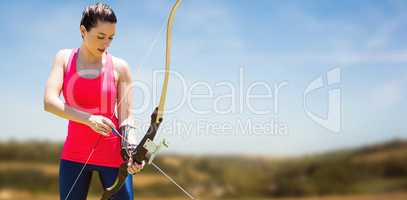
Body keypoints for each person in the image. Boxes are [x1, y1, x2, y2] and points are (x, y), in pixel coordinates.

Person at [44, 3, 143, 200]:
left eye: (111, 38)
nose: (106, 43)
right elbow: (49, 102)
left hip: (113, 156)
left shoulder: (120, 67)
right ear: (83, 30)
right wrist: (90, 119)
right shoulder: (64, 58)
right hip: (74, 155)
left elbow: (127, 116)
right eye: (100, 36)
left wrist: (131, 149)